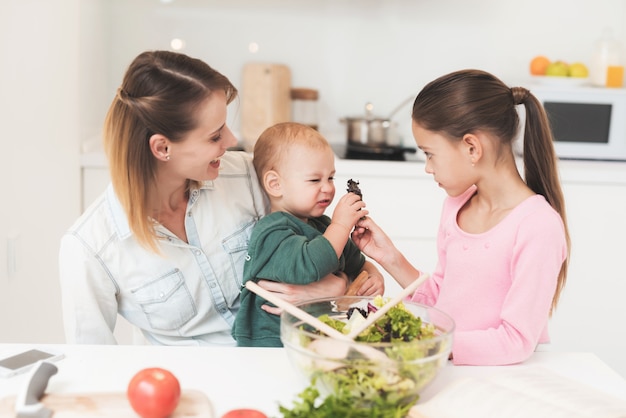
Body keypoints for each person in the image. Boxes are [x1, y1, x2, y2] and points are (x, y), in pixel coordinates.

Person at [59, 51, 350, 345]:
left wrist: (338, 287)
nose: (231, 141)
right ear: (162, 148)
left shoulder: (250, 178)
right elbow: (90, 362)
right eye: (215, 136)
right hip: (187, 386)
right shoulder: (89, 247)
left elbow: (331, 252)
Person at [351, 69, 570, 366]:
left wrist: (426, 342)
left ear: (471, 147)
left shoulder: (537, 226)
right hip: (452, 366)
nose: (428, 167)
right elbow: (442, 300)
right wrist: (390, 257)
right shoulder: (456, 206)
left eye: (430, 153)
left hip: (506, 377)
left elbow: (516, 340)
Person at [232, 122, 385, 347]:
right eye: (315, 180)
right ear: (275, 184)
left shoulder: (323, 226)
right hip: (271, 342)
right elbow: (308, 265)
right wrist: (341, 225)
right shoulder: (271, 231)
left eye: (331, 178)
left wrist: (373, 275)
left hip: (313, 337)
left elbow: (356, 263)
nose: (328, 188)